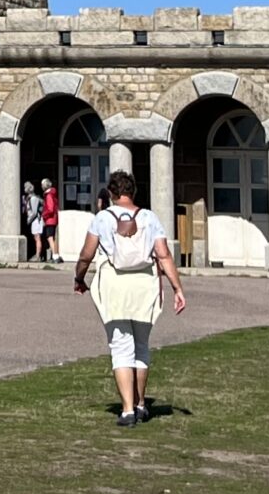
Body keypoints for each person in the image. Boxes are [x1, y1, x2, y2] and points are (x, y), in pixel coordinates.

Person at [71, 167, 186, 427]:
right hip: (144, 284)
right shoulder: (149, 217)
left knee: (121, 346)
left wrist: (79, 278)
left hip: (115, 285)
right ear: (133, 192)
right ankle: (141, 403)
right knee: (142, 346)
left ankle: (126, 410)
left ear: (112, 193)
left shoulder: (103, 218)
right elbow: (164, 255)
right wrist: (178, 288)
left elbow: (86, 255)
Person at [38, 176, 60, 263]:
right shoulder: (52, 194)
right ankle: (55, 254)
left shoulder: (49, 196)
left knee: (50, 238)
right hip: (53, 219)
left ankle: (55, 256)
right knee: (52, 238)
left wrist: (44, 214)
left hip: (50, 220)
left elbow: (50, 209)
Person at [20, 180, 41, 262]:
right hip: (33, 220)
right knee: (35, 237)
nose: (24, 189)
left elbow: (34, 212)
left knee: (37, 237)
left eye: (25, 187)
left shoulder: (33, 198)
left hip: (36, 220)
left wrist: (29, 220)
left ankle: (38, 255)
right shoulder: (28, 198)